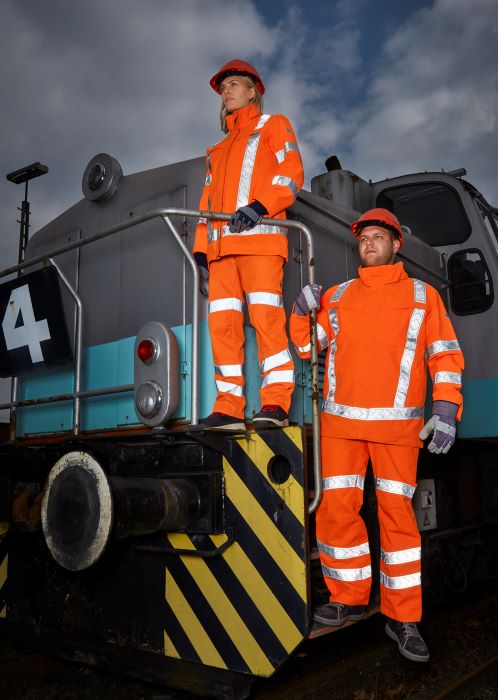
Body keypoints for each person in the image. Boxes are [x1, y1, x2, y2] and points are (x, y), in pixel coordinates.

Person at [290, 208, 464, 662]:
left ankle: (403, 619)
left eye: (378, 236)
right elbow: (307, 347)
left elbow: (444, 356)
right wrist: (299, 312)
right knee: (335, 512)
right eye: (363, 237)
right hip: (342, 428)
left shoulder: (424, 297)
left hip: (396, 430)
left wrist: (446, 409)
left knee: (398, 520)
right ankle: (346, 598)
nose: (368, 243)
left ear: (395, 244)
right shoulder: (340, 295)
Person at [193, 59, 304, 431]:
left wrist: (260, 206)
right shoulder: (217, 149)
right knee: (222, 328)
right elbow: (206, 203)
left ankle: (276, 403)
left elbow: (291, 174)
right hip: (221, 253)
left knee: (266, 320)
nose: (227, 91)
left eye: (234, 84)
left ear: (253, 89)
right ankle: (228, 408)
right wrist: (200, 252)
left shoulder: (274, 125)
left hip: (260, 244)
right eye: (223, 87)